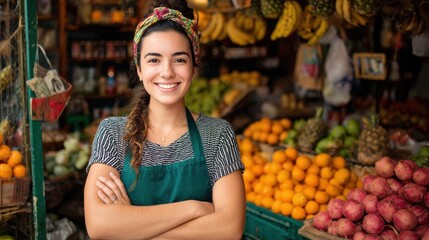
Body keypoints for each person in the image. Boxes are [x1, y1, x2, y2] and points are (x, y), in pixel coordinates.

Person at [83, 0, 246, 239]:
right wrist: (195, 208)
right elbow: (99, 225)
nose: (167, 72)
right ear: (139, 69)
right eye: (154, 60)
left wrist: (132, 226)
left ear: (193, 68)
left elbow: (230, 229)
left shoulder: (217, 134)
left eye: (179, 59)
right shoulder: (112, 133)